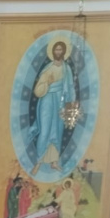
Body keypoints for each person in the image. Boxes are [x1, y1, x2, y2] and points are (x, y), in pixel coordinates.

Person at [28, 40, 76, 176]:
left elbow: (70, 87)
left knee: (57, 131)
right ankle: (38, 162)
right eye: (56, 49)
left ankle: (54, 162)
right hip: (47, 100)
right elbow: (38, 90)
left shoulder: (67, 69)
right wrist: (47, 84)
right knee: (45, 131)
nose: (58, 52)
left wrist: (70, 106)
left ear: (64, 51)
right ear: (53, 51)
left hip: (61, 102)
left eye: (60, 49)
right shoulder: (47, 69)